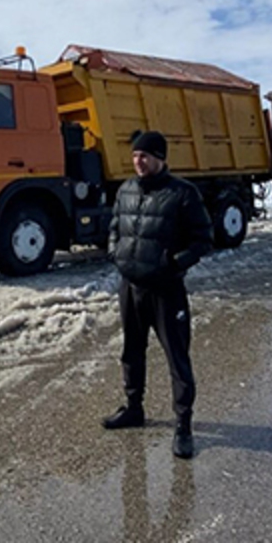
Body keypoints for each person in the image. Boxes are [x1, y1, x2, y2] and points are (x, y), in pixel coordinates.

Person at [103, 131, 213, 460]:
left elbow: (203, 239)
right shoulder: (126, 189)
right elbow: (114, 228)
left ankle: (183, 426)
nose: (139, 161)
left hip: (166, 290)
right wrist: (116, 255)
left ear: (161, 158)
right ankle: (134, 408)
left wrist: (172, 264)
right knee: (131, 351)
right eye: (136, 155)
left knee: (177, 358)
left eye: (145, 156)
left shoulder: (182, 194)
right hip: (131, 286)